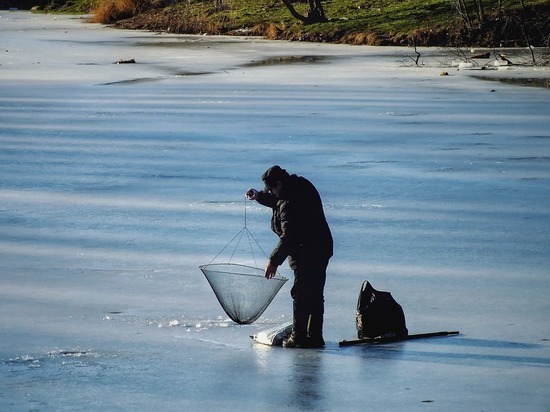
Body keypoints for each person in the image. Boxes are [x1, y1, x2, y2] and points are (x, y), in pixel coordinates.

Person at [246, 165, 333, 348]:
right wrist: (258, 196)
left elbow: (289, 237)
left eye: (272, 189)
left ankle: (299, 337)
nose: (273, 193)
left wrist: (273, 261)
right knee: (315, 292)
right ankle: (314, 336)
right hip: (320, 247)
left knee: (301, 294)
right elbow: (278, 201)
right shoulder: (296, 186)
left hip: (308, 250)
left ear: (279, 183)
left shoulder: (289, 200)